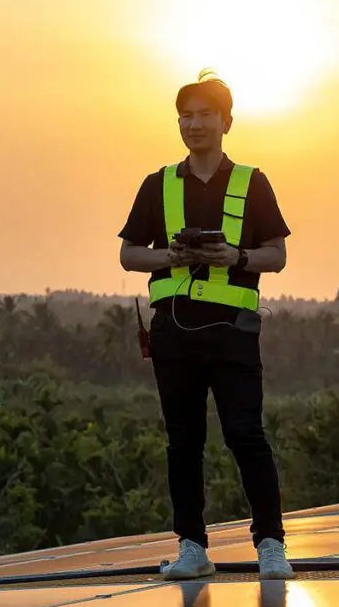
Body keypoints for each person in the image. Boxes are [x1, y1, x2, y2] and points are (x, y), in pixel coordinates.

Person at [117, 70, 295, 580]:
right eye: (186, 116)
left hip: (233, 330)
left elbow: (277, 256)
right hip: (173, 331)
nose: (194, 125)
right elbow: (128, 254)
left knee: (246, 434)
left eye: (204, 115)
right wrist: (168, 256)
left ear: (226, 122)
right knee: (184, 441)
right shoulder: (159, 185)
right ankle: (192, 547)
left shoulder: (251, 183)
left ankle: (270, 545)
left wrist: (233, 254)